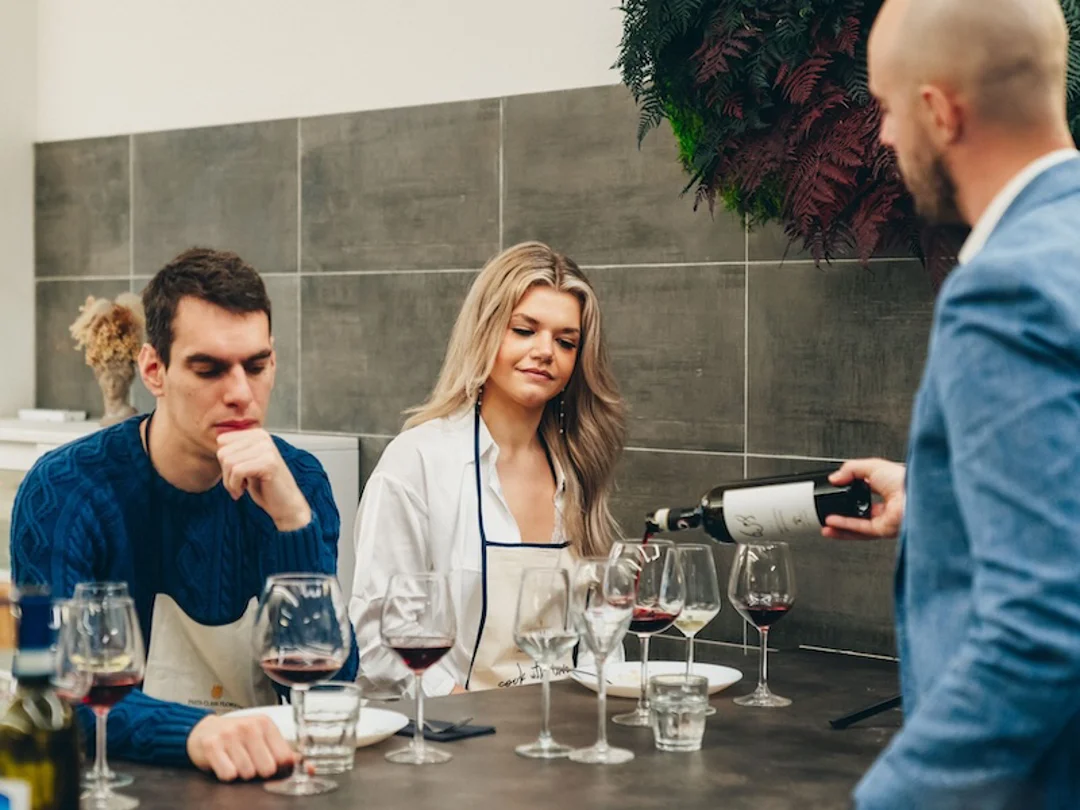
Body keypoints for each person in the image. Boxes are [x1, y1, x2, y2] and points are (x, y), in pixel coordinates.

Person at [823, 0, 1080, 806]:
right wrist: (945, 495)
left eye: (890, 108)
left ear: (939, 110)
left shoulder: (1004, 290)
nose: (887, 138)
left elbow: (1041, 628)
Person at [10, 248, 358, 782]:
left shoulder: (300, 483)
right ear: (154, 369)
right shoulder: (65, 490)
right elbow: (59, 692)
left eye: (257, 366)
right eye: (209, 368)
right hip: (121, 783)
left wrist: (293, 522)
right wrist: (196, 732)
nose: (241, 393)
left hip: (268, 775)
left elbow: (329, 690)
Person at [350, 241, 626, 694]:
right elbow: (380, 635)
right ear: (486, 332)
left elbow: (603, 633)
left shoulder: (578, 468)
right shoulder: (417, 460)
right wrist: (470, 720)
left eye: (565, 341)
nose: (545, 351)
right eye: (524, 330)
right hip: (455, 741)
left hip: (559, 739)